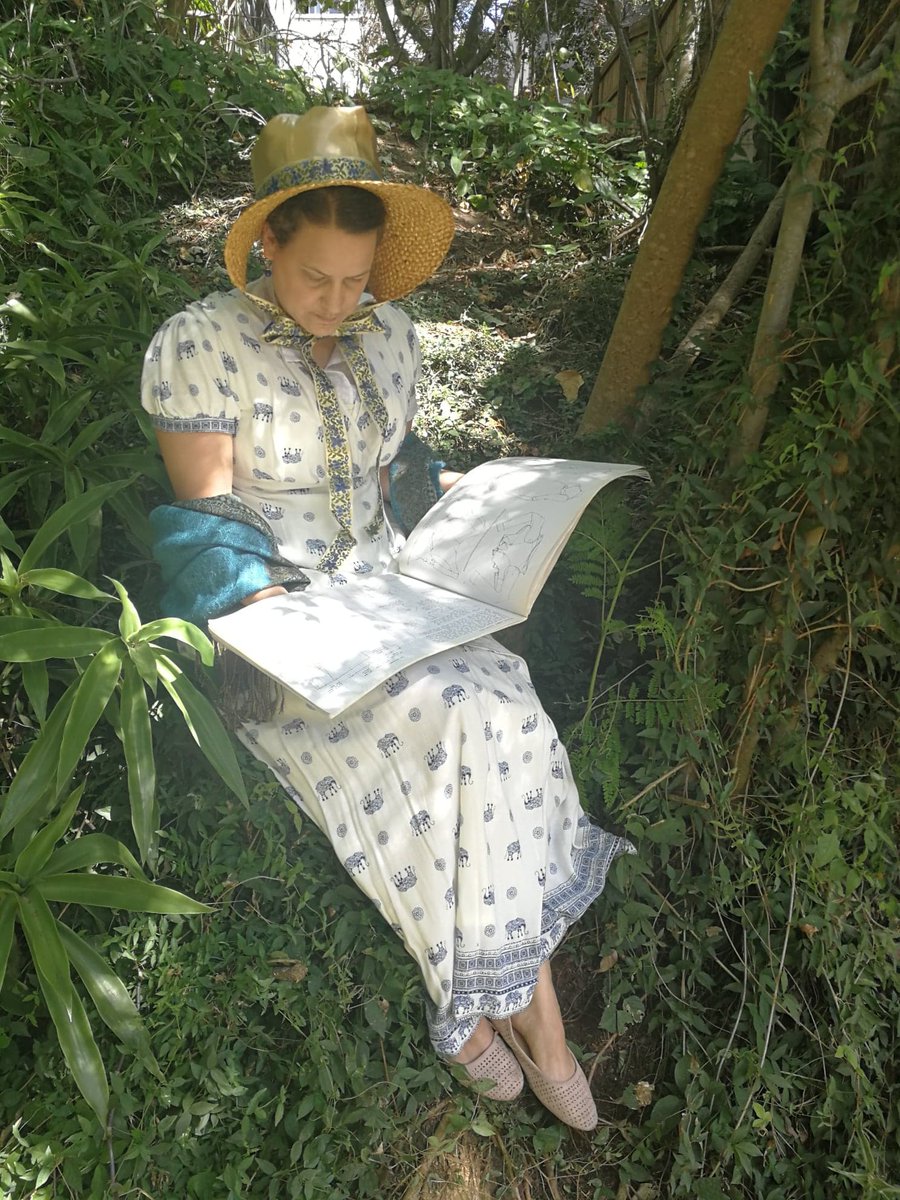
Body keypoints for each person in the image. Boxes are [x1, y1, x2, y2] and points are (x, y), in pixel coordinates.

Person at [141, 105, 632, 1131]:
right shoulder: (200, 345)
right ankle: (535, 1023)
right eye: (314, 276)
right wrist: (279, 629)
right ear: (265, 243)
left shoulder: (390, 337)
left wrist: (472, 507)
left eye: (354, 281)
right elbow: (207, 525)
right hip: (285, 626)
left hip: (391, 589)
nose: (334, 302)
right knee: (459, 714)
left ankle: (479, 1005)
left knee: (504, 697)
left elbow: (399, 478)